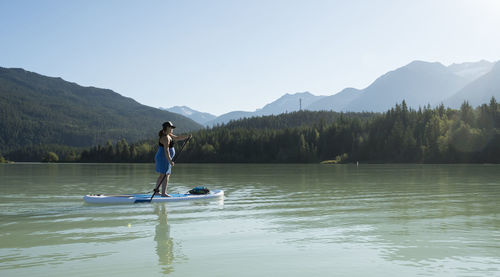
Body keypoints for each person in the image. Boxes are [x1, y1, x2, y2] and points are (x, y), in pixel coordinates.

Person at [154, 121, 191, 197]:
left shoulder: (168, 135)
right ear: (167, 128)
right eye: (171, 128)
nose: (172, 129)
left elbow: (177, 138)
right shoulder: (165, 138)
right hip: (163, 158)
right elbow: (166, 150)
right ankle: (163, 193)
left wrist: (186, 137)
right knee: (166, 175)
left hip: (164, 158)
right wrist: (170, 160)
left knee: (162, 175)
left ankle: (157, 192)